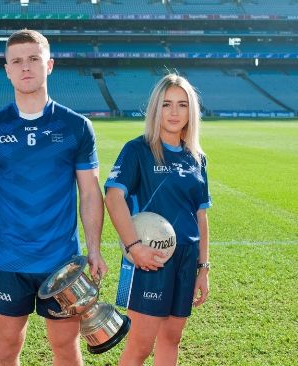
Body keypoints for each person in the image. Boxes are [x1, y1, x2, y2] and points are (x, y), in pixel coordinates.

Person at [0, 29, 108, 366]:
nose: (25, 67)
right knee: (5, 349)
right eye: (17, 61)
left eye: (33, 59)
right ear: (7, 70)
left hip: (62, 263)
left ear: (49, 65)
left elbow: (89, 192)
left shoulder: (77, 127)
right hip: (8, 262)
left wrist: (95, 249)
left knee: (66, 350)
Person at [103, 73, 211, 366]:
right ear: (155, 109)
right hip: (149, 259)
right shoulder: (138, 150)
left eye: (182, 104)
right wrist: (134, 247)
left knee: (171, 339)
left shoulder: (197, 157)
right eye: (166, 104)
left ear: (192, 111)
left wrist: (203, 267)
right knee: (140, 345)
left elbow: (200, 215)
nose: (174, 112)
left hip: (187, 261)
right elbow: (113, 198)